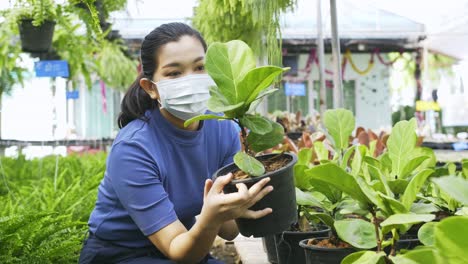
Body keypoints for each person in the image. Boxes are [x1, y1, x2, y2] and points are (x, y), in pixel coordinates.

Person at [78, 22, 274, 264]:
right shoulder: (133, 148)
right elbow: (177, 250)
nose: (191, 81)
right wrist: (210, 218)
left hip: (186, 243)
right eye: (174, 73)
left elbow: (229, 231)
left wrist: (233, 208)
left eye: (200, 67)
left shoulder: (223, 130)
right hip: (122, 253)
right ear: (151, 88)